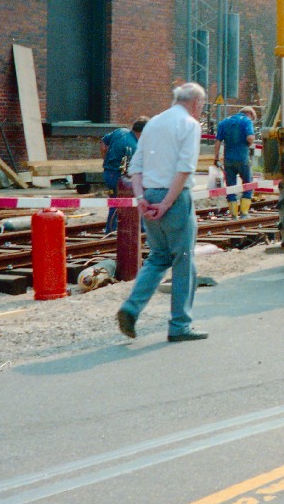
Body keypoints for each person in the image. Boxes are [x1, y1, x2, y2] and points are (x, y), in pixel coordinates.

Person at [116, 82, 208, 343]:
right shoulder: (190, 125)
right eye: (201, 105)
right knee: (183, 259)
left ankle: (132, 307)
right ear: (196, 103)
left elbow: (136, 166)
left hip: (150, 193)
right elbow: (185, 168)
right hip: (174, 197)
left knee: (157, 257)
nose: (200, 110)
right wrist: (167, 203)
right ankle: (180, 325)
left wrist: (141, 199)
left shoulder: (153, 123)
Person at [100, 116, 149, 234]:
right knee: (134, 199)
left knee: (114, 202)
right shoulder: (134, 147)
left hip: (107, 174)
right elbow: (131, 169)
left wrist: (105, 157)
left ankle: (112, 230)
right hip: (118, 177)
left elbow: (103, 142)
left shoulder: (120, 131)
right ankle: (114, 230)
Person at [214, 106, 256, 219]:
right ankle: (244, 213)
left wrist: (216, 157)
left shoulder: (224, 122)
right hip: (242, 158)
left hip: (228, 159)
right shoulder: (247, 121)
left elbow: (218, 141)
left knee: (230, 186)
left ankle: (233, 214)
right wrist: (250, 143)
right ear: (249, 113)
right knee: (248, 183)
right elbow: (250, 138)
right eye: (253, 117)